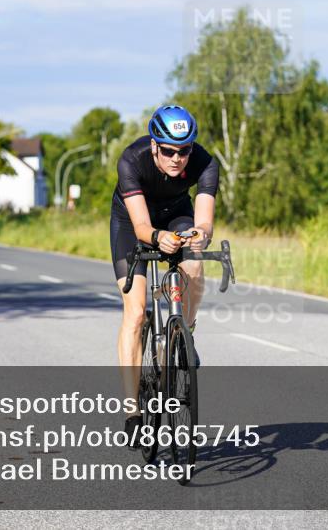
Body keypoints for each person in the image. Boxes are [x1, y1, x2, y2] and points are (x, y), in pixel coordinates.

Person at [110, 104, 218, 446]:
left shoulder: (205, 162)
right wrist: (157, 238)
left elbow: (204, 222)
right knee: (137, 310)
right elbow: (142, 226)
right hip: (132, 223)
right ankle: (132, 411)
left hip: (176, 215)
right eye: (169, 151)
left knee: (195, 262)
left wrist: (200, 234)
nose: (177, 159)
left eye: (184, 151)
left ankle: (184, 332)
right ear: (155, 145)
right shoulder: (132, 159)